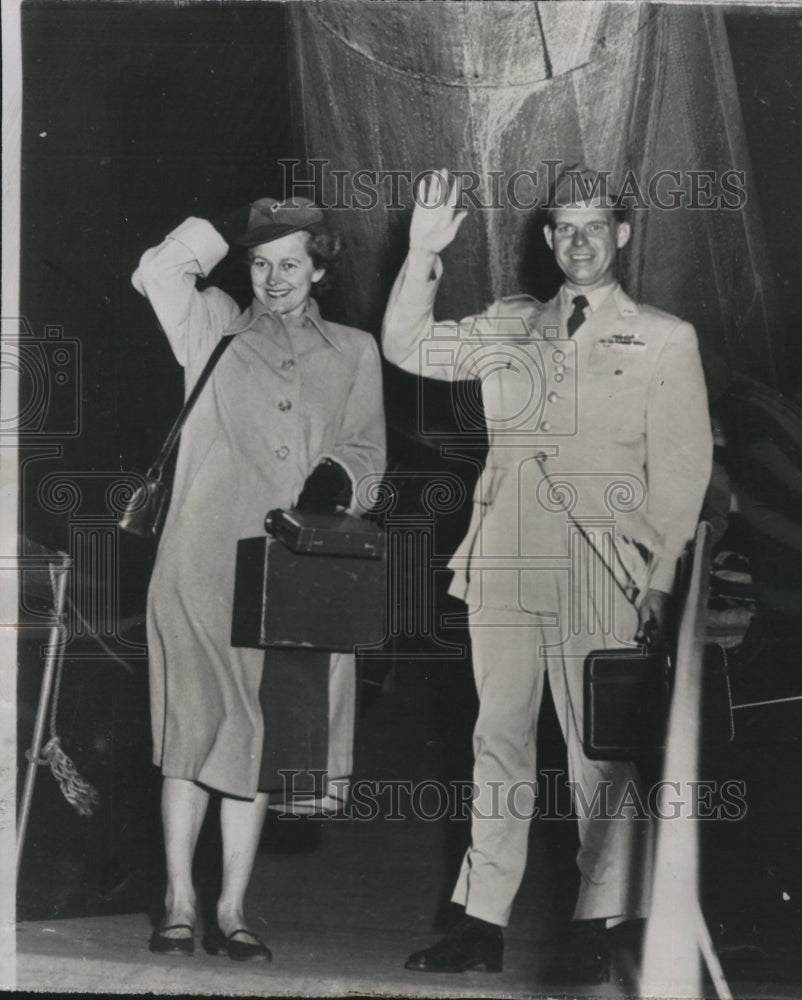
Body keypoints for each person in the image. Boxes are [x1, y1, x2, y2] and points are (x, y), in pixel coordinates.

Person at [382, 167, 713, 982]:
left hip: (601, 562)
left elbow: (681, 470)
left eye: (594, 226)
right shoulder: (508, 323)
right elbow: (405, 345)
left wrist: (658, 577)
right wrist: (422, 251)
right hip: (503, 558)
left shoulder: (664, 336)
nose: (578, 241)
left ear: (622, 235)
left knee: (597, 751)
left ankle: (595, 920)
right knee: (496, 742)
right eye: (564, 228)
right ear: (546, 239)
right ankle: (480, 919)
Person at [132, 197, 386, 961]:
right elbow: (155, 270)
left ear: (319, 269)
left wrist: (337, 478)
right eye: (260, 262)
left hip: (290, 572)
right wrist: (221, 227)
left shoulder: (353, 350)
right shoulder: (210, 323)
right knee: (192, 727)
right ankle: (178, 901)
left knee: (262, 735)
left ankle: (234, 908)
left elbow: (369, 452)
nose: (274, 278)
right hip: (198, 563)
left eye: (290, 262)